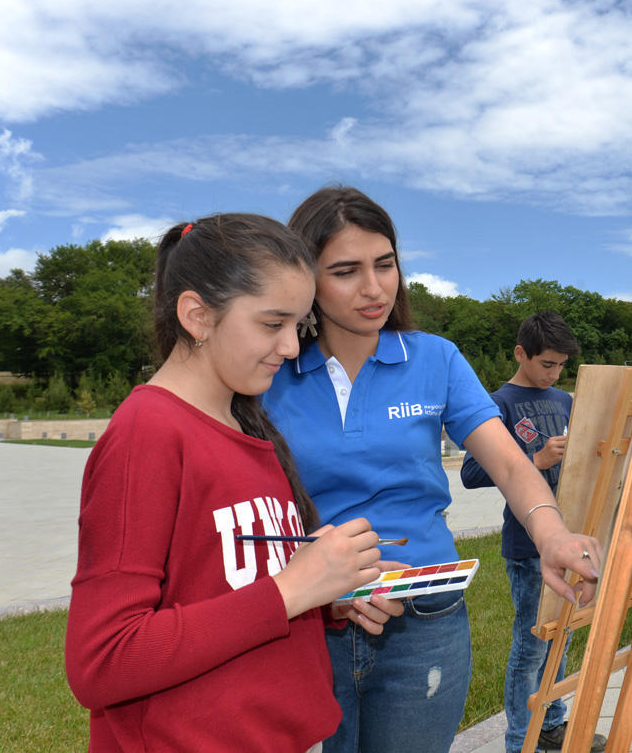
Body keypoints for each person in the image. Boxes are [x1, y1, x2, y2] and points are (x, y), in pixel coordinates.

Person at [262, 186, 602, 753]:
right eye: (345, 270)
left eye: (385, 264)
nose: (373, 288)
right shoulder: (270, 369)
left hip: (425, 621)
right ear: (303, 279)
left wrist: (552, 534)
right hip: (310, 621)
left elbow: (511, 465)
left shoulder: (435, 357)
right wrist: (319, 582)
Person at [65, 214, 404, 751]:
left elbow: (228, 591)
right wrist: (291, 590)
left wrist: (326, 595)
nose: (292, 347)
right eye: (272, 324)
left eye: (300, 326)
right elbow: (104, 660)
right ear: (198, 316)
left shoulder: (247, 424)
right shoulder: (146, 434)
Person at [460, 312, 606, 753]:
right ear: (521, 353)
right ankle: (520, 740)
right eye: (546, 363)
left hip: (570, 540)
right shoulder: (496, 403)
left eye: (561, 365)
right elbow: (470, 473)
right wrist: (537, 461)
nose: (554, 373)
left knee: (560, 637)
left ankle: (551, 725)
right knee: (531, 644)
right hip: (528, 546)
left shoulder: (564, 400)